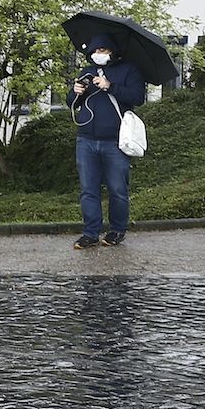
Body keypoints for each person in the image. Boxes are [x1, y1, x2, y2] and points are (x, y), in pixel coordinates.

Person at [67, 33, 145, 249]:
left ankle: (117, 230)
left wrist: (110, 86)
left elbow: (138, 97)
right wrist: (75, 93)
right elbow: (71, 103)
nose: (98, 55)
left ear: (112, 51)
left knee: (117, 188)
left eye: (102, 51)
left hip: (114, 142)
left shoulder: (129, 70)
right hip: (86, 140)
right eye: (94, 51)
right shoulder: (87, 71)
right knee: (88, 189)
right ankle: (90, 233)